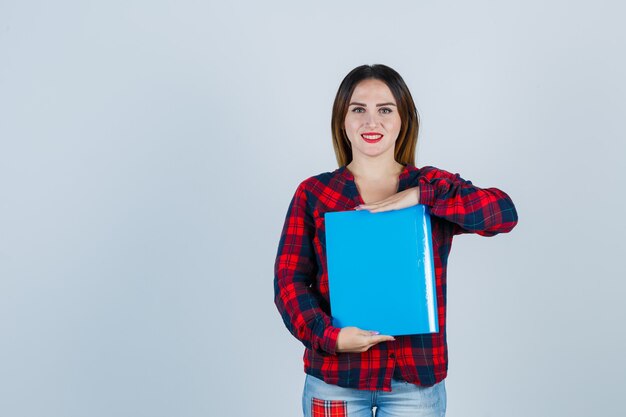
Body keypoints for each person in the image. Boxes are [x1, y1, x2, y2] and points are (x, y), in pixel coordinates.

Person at [273, 64, 518, 417]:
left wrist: (422, 196)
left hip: (415, 385)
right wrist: (331, 337)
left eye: (385, 110)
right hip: (335, 380)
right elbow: (289, 282)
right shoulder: (315, 193)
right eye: (358, 109)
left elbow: (504, 214)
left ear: (403, 119)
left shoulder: (434, 186)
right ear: (342, 120)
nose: (371, 122)